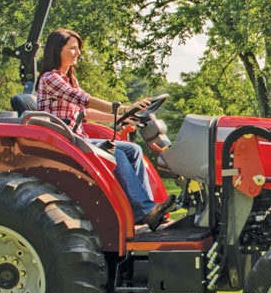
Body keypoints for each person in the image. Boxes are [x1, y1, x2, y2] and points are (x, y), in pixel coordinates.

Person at [36, 29, 175, 230]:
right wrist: (125, 108)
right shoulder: (51, 78)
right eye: (72, 48)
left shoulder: (70, 80)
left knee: (133, 150)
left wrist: (123, 117)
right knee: (114, 151)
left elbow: (86, 111)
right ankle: (145, 210)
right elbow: (84, 100)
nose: (77, 53)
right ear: (57, 50)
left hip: (77, 138)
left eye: (78, 49)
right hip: (64, 141)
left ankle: (143, 213)